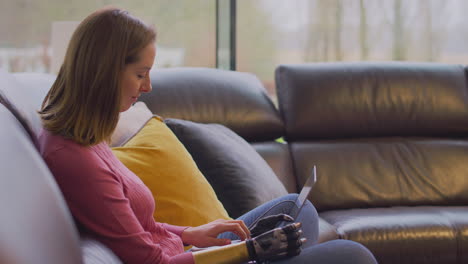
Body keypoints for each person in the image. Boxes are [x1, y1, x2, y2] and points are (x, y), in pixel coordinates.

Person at [38, 7, 378, 264]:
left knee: (293, 209)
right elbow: (150, 261)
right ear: (104, 71)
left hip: (185, 248)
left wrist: (190, 233)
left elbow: (141, 227)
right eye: (140, 73)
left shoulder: (87, 136)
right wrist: (247, 250)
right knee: (353, 255)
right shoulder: (73, 158)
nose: (148, 86)